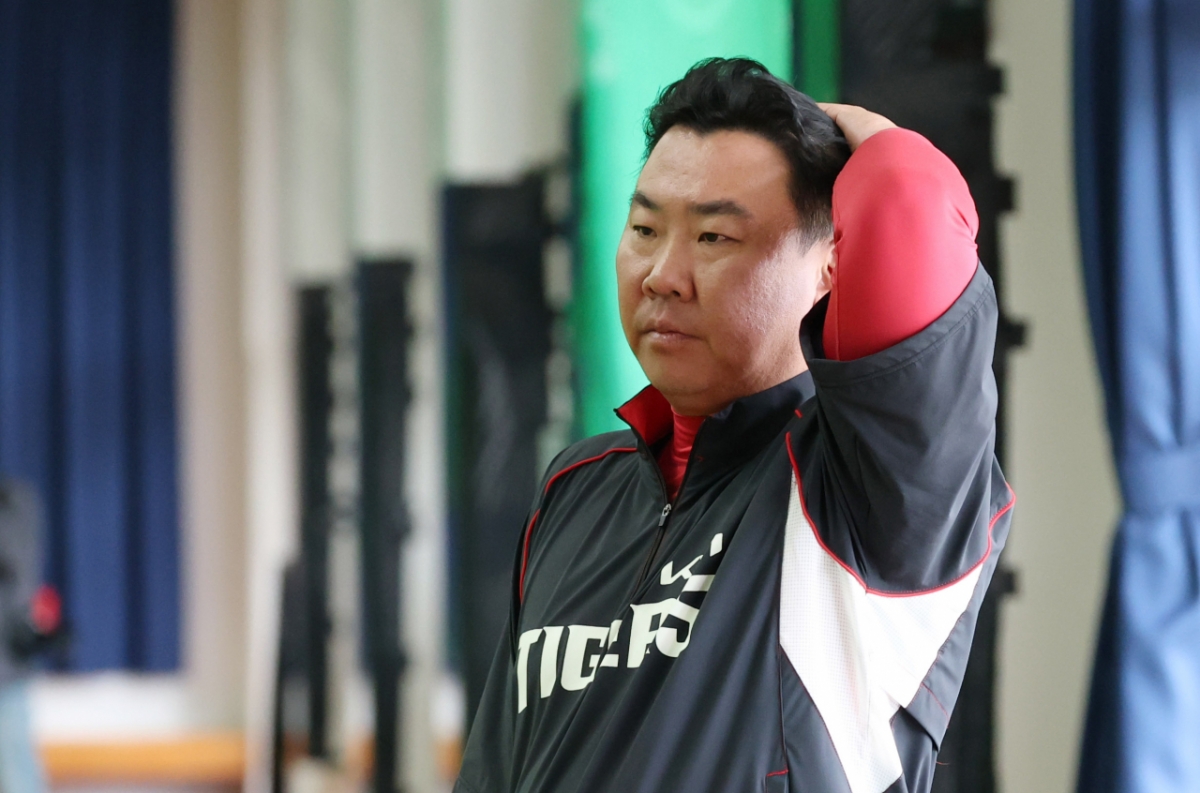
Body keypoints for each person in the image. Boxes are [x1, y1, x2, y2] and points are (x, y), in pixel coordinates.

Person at [455, 57, 1014, 793]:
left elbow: (909, 203)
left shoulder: (870, 499)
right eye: (645, 227)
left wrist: (868, 136)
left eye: (713, 237)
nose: (662, 274)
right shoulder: (577, 487)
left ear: (830, 266)